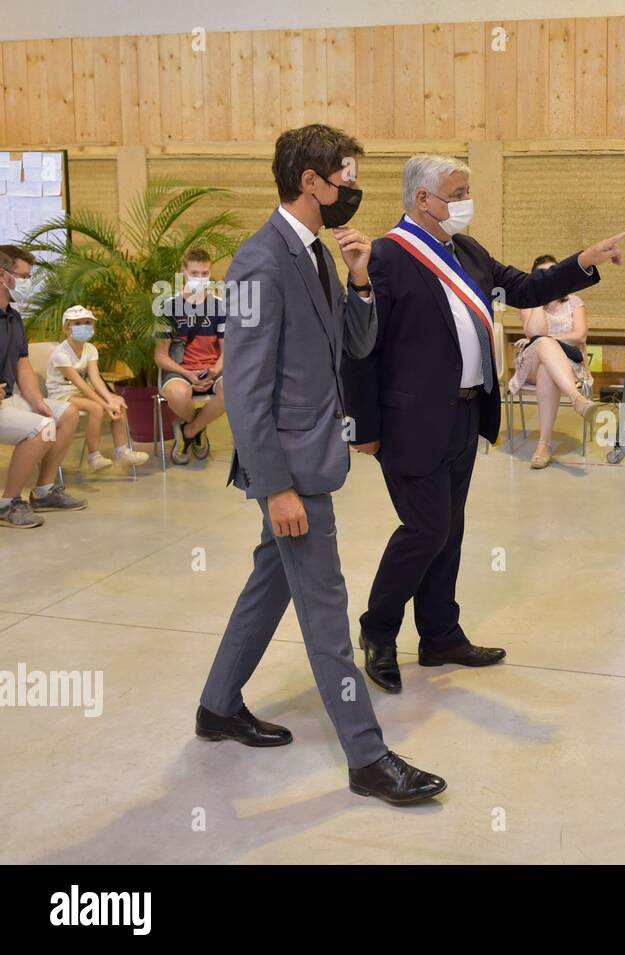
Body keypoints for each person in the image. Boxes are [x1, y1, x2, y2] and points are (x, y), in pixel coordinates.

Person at [196, 124, 445, 806]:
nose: (353, 191)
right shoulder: (258, 261)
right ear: (311, 181)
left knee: (268, 586)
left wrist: (362, 280)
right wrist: (274, 485)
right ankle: (368, 758)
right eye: (346, 178)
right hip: (291, 471)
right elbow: (244, 388)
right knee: (328, 611)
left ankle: (217, 706)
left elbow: (355, 345)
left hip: (314, 454)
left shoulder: (318, 255)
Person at [341, 153, 625, 693]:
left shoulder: (466, 251)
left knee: (448, 530)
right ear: (423, 200)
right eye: (457, 192)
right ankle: (378, 632)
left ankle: (440, 634)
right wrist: (362, 425)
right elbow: (360, 350)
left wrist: (581, 262)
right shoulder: (384, 257)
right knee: (423, 530)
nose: (466, 201)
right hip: (409, 421)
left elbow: (524, 289)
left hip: (466, 412)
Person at [0, 245, 86, 529]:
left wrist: (38, 402)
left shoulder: (13, 317)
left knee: (66, 413)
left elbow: (22, 363)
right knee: (43, 429)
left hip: (9, 398)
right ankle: (7, 503)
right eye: (23, 276)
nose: (28, 283)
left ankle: (45, 491)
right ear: (3, 275)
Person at [509, 254, 596, 469]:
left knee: (547, 366)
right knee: (543, 343)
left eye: (552, 273)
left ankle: (543, 446)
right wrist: (538, 296)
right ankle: (577, 398)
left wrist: (548, 341)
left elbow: (580, 335)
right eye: (542, 275)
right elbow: (534, 333)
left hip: (567, 363)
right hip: (531, 362)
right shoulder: (528, 301)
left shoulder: (575, 302)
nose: (549, 278)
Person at [45, 306, 149, 472]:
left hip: (81, 391)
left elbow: (95, 378)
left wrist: (110, 400)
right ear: (67, 328)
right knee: (96, 408)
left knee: (119, 401)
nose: (84, 326)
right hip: (61, 394)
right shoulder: (60, 353)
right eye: (78, 323)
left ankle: (122, 451)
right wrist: (105, 404)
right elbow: (80, 383)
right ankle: (94, 457)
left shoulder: (90, 349)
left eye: (87, 322)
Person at [154, 247, 227, 465]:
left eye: (205, 274)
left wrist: (214, 372)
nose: (200, 278)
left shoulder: (219, 306)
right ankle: (198, 427)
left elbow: (227, 351)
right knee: (177, 395)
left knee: (234, 390)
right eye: (195, 274)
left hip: (212, 369)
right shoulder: (167, 307)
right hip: (180, 370)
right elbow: (160, 356)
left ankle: (188, 429)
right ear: (183, 272)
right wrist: (188, 373)